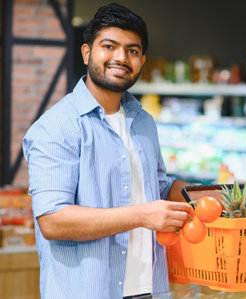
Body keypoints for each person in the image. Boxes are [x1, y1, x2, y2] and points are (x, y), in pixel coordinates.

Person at [22, 3, 193, 299]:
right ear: (87, 52)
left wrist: (212, 196)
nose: (121, 57)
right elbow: (52, 220)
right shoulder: (56, 126)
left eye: (132, 50)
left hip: (149, 289)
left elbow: (158, 188)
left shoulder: (143, 122)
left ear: (142, 60)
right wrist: (141, 215)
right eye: (109, 46)